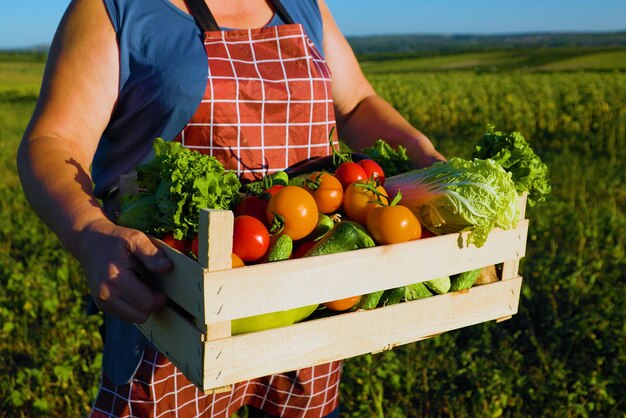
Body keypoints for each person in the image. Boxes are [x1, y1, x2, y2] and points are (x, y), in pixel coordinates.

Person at [17, 0, 445, 417]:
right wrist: (86, 229)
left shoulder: (302, 5)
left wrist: (426, 159)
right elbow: (53, 142)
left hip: (303, 298)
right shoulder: (117, 8)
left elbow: (356, 105)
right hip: (173, 307)